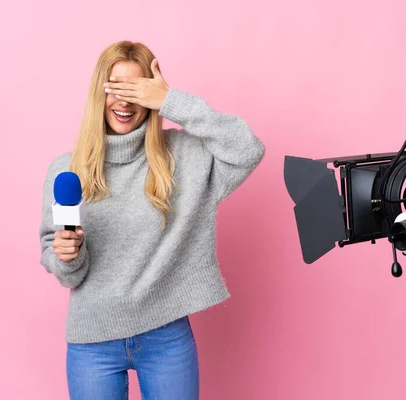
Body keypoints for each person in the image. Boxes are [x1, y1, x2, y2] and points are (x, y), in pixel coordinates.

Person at [38, 40, 265, 400]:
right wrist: (66, 255)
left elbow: (247, 148)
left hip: (166, 335)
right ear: (99, 92)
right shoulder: (66, 171)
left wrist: (172, 101)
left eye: (137, 88)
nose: (125, 101)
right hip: (92, 340)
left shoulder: (184, 156)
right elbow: (68, 271)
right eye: (116, 86)